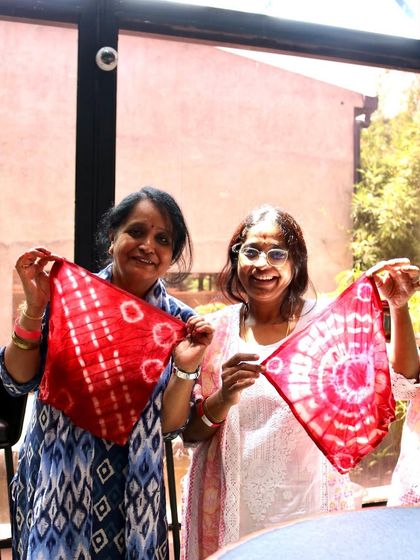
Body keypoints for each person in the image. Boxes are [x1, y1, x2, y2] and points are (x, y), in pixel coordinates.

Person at [181, 204, 420, 560]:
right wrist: (224, 397)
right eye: (252, 251)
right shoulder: (213, 333)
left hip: (311, 510)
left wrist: (398, 308)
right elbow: (189, 433)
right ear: (236, 259)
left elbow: (404, 381)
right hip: (230, 512)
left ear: (296, 263)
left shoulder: (325, 325)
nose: (263, 264)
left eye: (277, 253)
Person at [0, 186, 213, 559]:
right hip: (57, 484)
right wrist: (35, 308)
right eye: (136, 231)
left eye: (162, 239)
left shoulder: (178, 323)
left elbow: (169, 426)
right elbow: (16, 379)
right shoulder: (71, 300)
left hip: (134, 496)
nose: (148, 245)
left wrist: (186, 367)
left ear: (171, 257)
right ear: (112, 237)